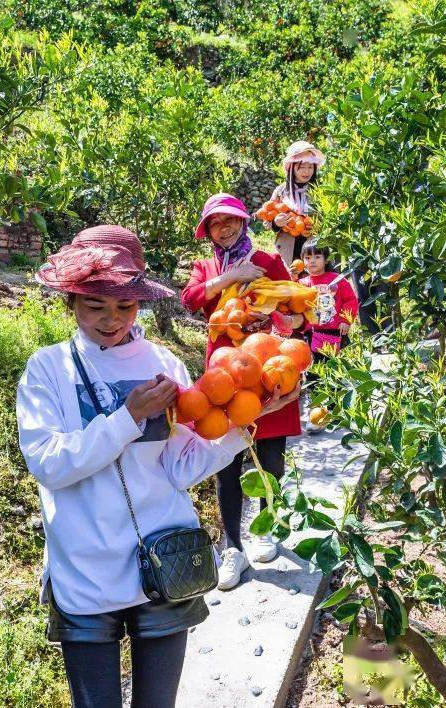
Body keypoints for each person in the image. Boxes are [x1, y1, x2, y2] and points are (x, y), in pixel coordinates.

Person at [17, 225, 291, 708]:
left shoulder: (163, 363)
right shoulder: (48, 370)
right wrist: (129, 417)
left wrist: (245, 422)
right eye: (95, 305)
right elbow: (50, 465)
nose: (111, 319)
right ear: (72, 301)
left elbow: (179, 468)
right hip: (85, 570)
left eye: (124, 306)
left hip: (165, 563)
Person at [181, 194, 302, 590]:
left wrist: (277, 317)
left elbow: (294, 309)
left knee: (271, 457)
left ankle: (265, 527)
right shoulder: (206, 268)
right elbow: (190, 299)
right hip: (223, 377)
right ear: (208, 232)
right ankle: (232, 546)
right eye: (215, 224)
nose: (224, 228)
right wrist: (232, 277)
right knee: (225, 461)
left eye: (229, 220)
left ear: (242, 221)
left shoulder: (267, 260)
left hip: (266, 367)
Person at [297, 241, 359, 432]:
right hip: (312, 336)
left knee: (335, 372)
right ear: (302, 260)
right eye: (308, 258)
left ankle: (336, 410)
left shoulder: (336, 279)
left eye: (317, 257)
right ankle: (316, 413)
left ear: (326, 259)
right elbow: (294, 304)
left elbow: (351, 300)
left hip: (335, 335)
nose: (312, 261)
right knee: (314, 374)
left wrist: (345, 321)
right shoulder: (302, 283)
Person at [267, 141, 326, 270]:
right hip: (288, 247)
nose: (307, 171)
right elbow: (267, 218)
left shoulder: (319, 191)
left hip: (313, 248)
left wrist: (318, 226)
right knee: (291, 281)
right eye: (302, 167)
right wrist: (277, 223)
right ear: (292, 167)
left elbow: (326, 216)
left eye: (310, 167)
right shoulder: (281, 191)